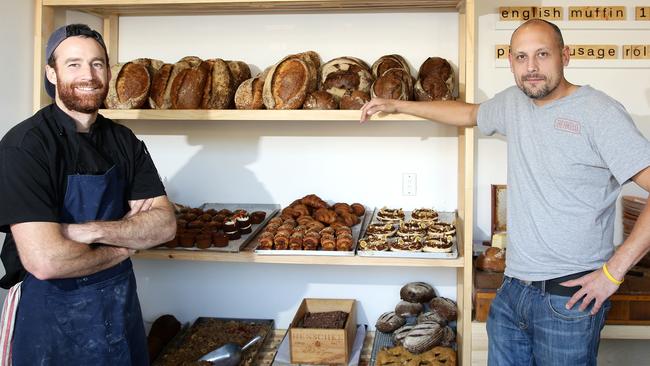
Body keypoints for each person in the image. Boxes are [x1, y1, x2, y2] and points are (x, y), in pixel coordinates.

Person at [361, 19, 650, 365]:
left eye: (542, 54)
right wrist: (400, 106)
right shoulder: (515, 102)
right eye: (521, 57)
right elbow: (468, 113)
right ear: (511, 62)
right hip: (513, 290)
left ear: (565, 56)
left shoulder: (599, 113)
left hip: (569, 298)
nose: (531, 67)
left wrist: (613, 272)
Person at [0, 24, 176, 365]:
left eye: (97, 64)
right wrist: (126, 244)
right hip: (47, 325)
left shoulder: (123, 142)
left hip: (119, 313)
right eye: (74, 64)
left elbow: (165, 225)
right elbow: (46, 261)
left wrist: (90, 231)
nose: (89, 75)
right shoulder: (25, 147)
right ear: (51, 73)